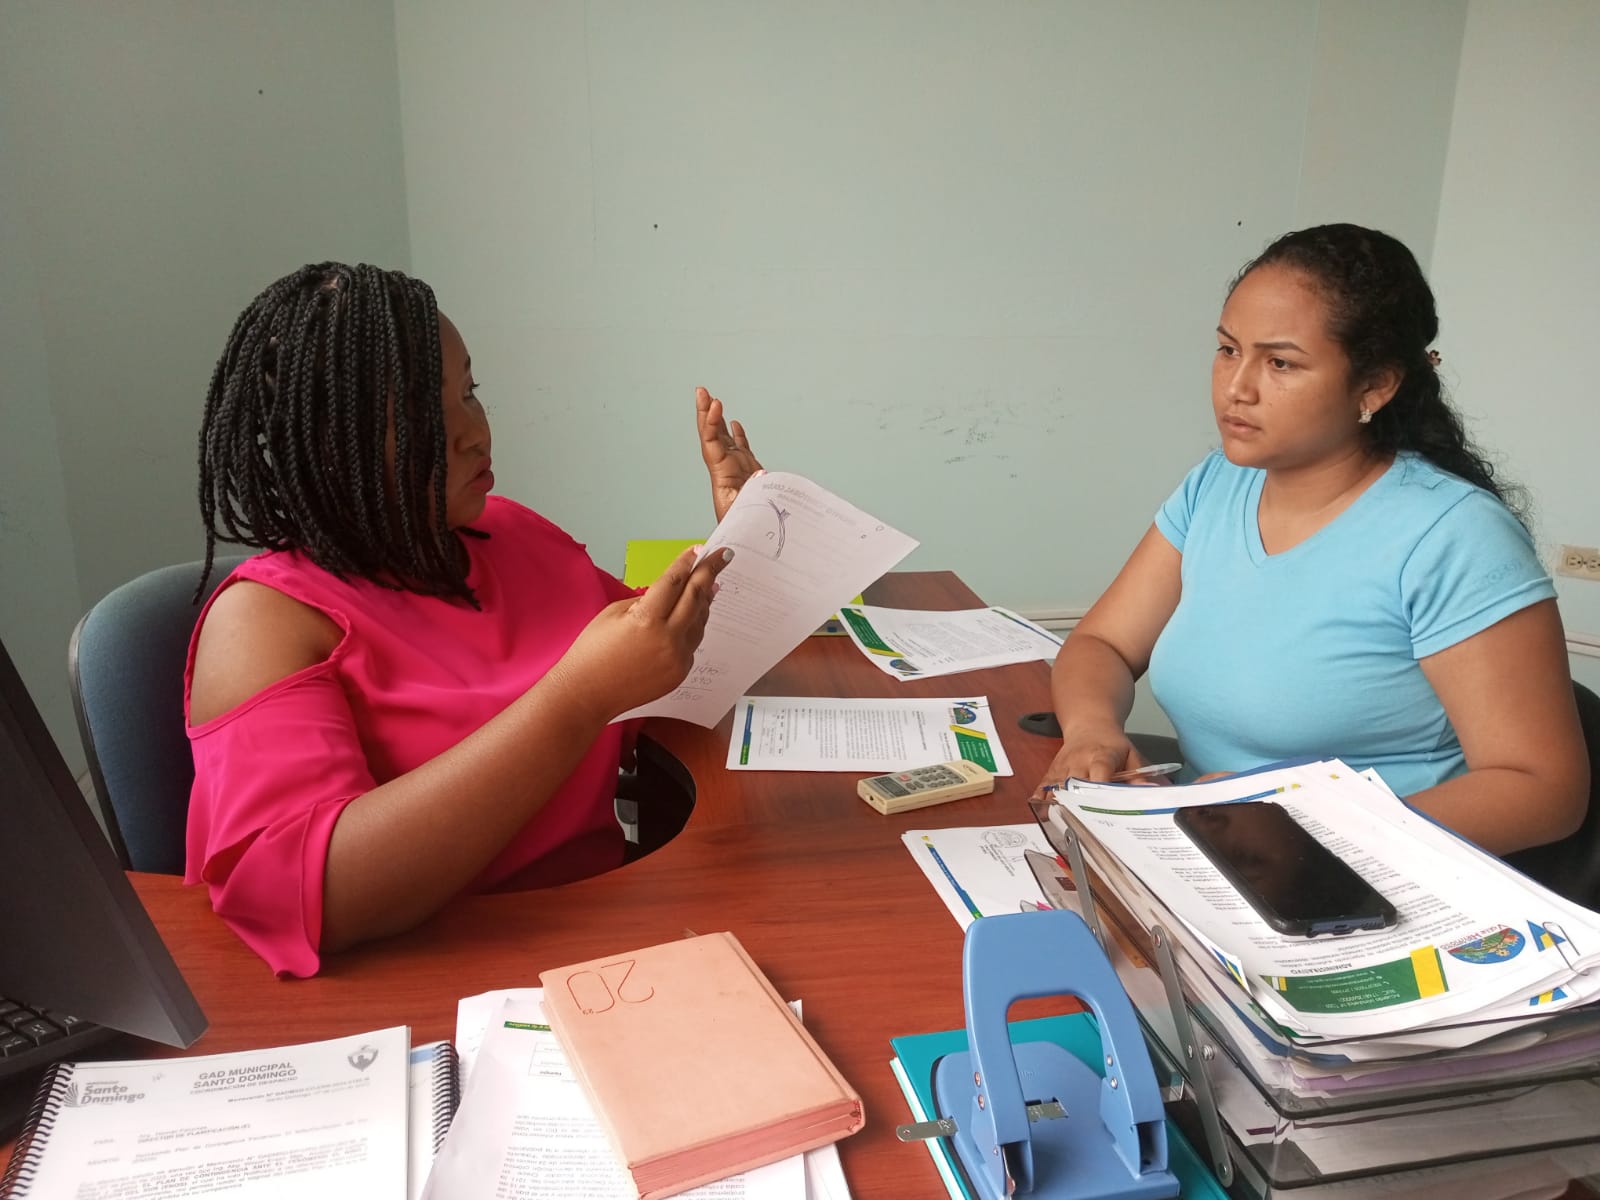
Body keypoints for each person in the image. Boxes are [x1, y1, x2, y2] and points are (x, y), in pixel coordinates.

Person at [185, 262, 762, 977]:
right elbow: (310, 894)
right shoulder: (262, 621)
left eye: (469, 392)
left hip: (602, 938)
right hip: (429, 976)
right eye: (423, 414)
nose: (473, 432)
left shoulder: (508, 531)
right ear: (328, 443)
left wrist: (745, 536)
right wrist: (576, 699)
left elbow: (657, 652)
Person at [1036, 224, 1589, 856]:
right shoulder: (1217, 484)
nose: (1236, 388)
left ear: (1375, 386)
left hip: (1371, 874)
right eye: (1227, 350)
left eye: (1280, 363)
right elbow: (1103, 642)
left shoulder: (1454, 535)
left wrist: (1304, 831)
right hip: (1213, 854)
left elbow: (1543, 791)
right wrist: (1091, 729)